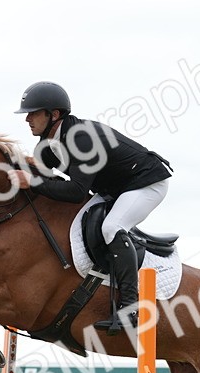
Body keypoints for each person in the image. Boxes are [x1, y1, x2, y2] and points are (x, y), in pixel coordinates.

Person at [10, 81, 173, 334]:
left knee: (111, 227)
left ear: (54, 114)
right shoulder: (46, 145)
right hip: (114, 189)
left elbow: (75, 192)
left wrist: (31, 181)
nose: (27, 119)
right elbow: (46, 180)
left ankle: (131, 309)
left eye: (33, 113)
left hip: (146, 183)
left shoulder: (82, 138)